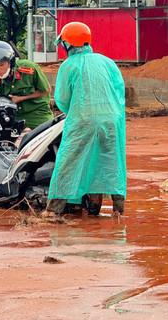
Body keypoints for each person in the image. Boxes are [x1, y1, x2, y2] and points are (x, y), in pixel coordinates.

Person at [43, 22, 126, 217]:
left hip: (83, 121)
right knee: (110, 162)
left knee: (67, 162)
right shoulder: (107, 62)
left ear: (67, 44)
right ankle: (117, 211)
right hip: (112, 122)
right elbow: (119, 93)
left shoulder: (68, 66)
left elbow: (63, 100)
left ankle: (52, 211)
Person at [0, 41, 54, 130]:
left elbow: (47, 90)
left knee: (50, 134)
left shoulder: (30, 69)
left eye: (1, 65)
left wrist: (22, 98)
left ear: (11, 62)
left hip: (38, 111)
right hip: (14, 116)